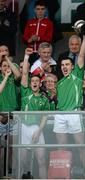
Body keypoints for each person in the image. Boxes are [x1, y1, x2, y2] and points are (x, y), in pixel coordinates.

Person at [53, 33, 85, 174]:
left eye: (67, 64)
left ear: (73, 66)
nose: (64, 67)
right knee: (61, 147)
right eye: (62, 65)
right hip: (60, 114)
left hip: (75, 113)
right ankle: (63, 174)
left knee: (81, 145)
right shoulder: (59, 83)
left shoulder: (77, 76)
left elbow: (81, 55)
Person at [20, 47, 50, 178]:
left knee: (42, 160)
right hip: (23, 128)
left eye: (37, 81)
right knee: (22, 161)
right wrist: (26, 57)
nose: (34, 83)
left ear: (40, 83)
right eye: (32, 81)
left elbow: (45, 117)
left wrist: (39, 131)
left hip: (37, 129)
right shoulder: (25, 93)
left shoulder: (44, 99)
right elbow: (25, 74)